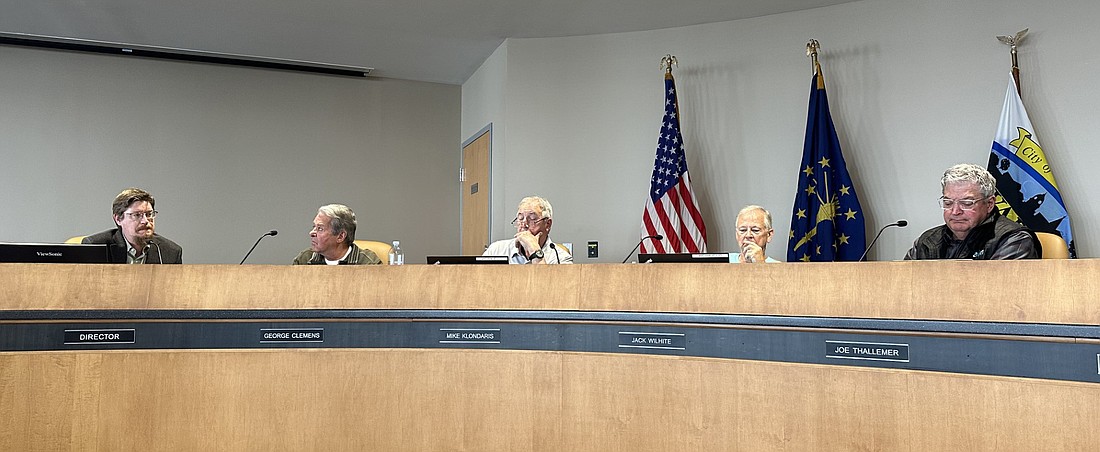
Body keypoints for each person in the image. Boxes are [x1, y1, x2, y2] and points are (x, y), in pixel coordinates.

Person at [905, 163, 1040, 259]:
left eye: (967, 203)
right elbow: (905, 285)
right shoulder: (927, 241)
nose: (955, 211)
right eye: (948, 203)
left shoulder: (1013, 239)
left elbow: (998, 292)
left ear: (989, 204)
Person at [83, 188, 183, 264]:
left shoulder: (170, 252)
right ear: (118, 219)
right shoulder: (94, 247)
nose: (145, 221)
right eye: (136, 215)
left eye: (149, 214)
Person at [483, 196, 573, 264]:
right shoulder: (496, 250)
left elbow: (547, 287)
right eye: (520, 218)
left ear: (547, 224)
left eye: (532, 219)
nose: (524, 224)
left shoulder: (561, 258)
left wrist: (535, 250)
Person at [293, 204, 381, 265]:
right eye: (314, 227)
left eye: (320, 228)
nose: (311, 233)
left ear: (340, 236)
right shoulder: (304, 260)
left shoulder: (368, 263)